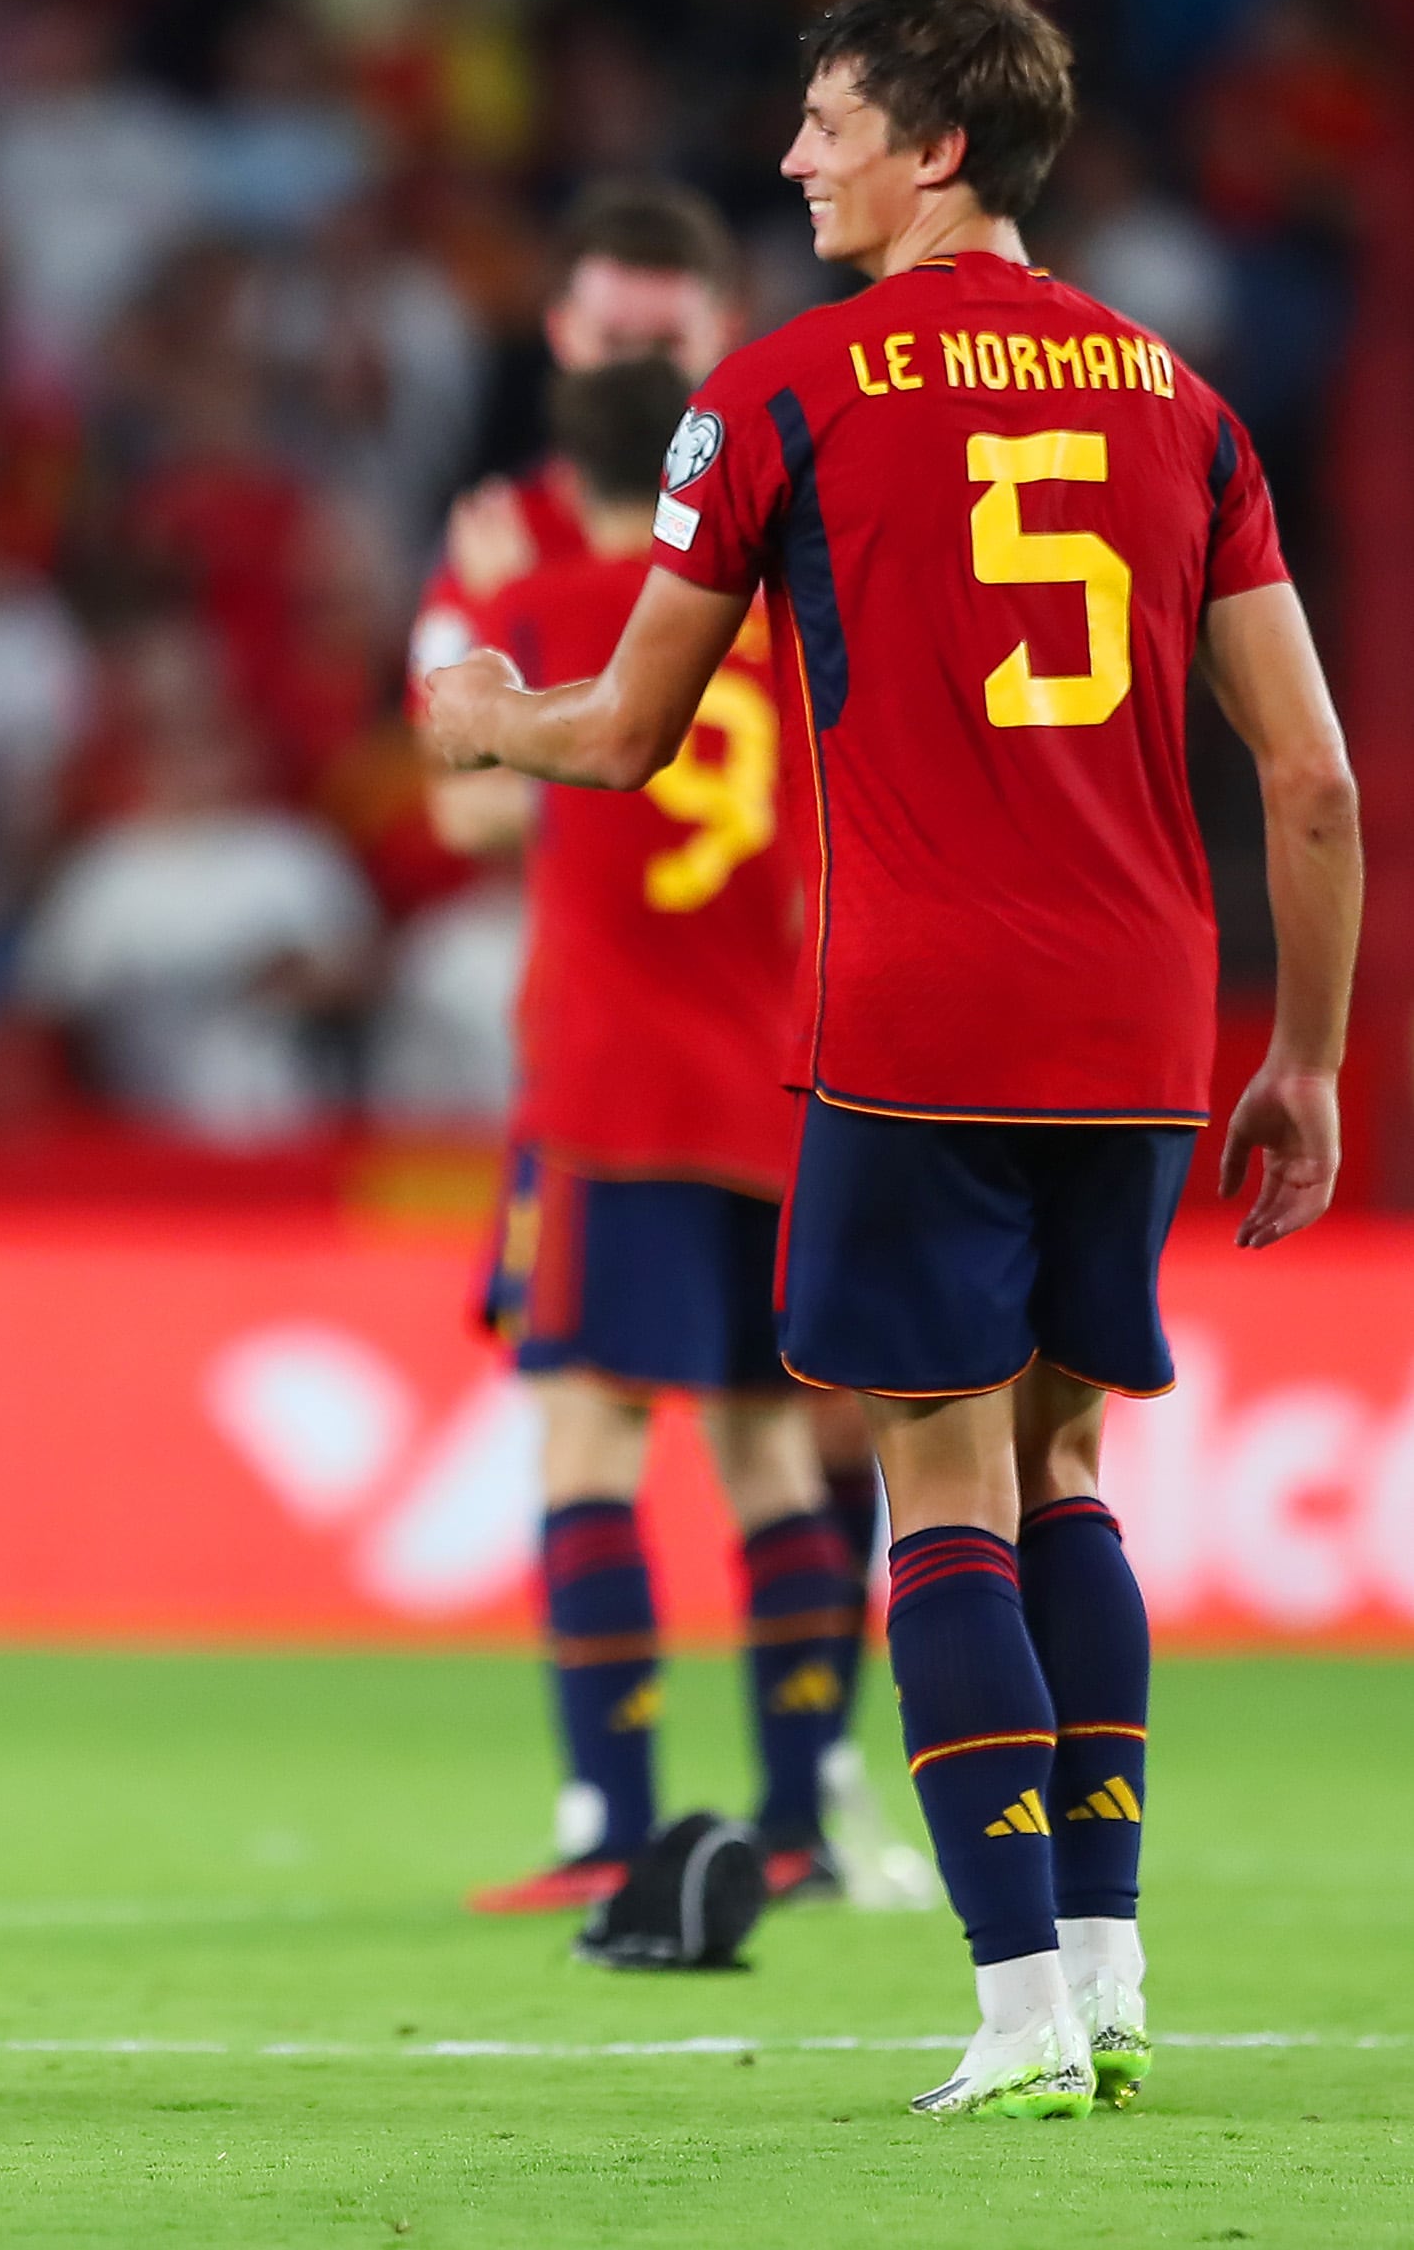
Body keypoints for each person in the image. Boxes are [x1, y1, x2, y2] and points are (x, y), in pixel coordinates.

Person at [421, 0, 1358, 2119]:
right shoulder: (1185, 402)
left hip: (919, 1013)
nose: (793, 155)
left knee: (934, 1475)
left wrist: (491, 717)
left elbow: (633, 730)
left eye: (829, 118)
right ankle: (1113, 1972)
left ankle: (1020, 2004)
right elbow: (1310, 781)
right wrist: (1302, 1057)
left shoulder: (777, 392)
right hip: (1144, 1016)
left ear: (937, 146)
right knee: (1068, 1466)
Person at [413, 182, 922, 1922]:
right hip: (784, 1071)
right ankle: (794, 1820)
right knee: (778, 1448)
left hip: (612, 1080)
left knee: (591, 1438)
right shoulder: (789, 580)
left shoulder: (536, 587)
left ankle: (614, 1819)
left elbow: (459, 781)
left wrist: (500, 638)